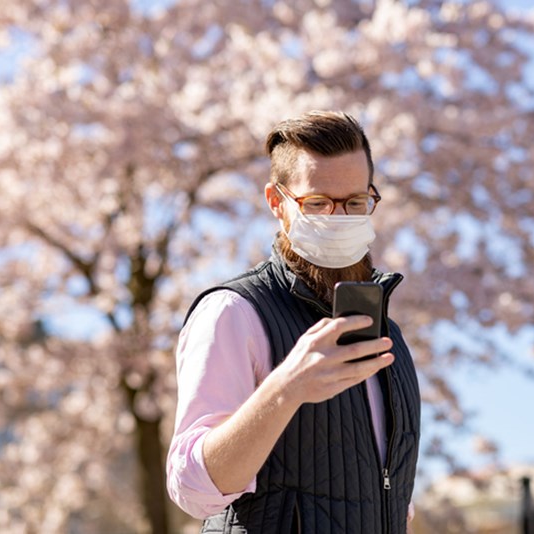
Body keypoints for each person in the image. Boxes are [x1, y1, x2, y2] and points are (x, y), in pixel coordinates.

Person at [167, 111, 421, 534]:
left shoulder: (386, 335)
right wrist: (286, 389)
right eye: (318, 203)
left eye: (355, 203)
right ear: (276, 203)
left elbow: (387, 496)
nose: (339, 218)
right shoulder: (234, 313)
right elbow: (193, 489)